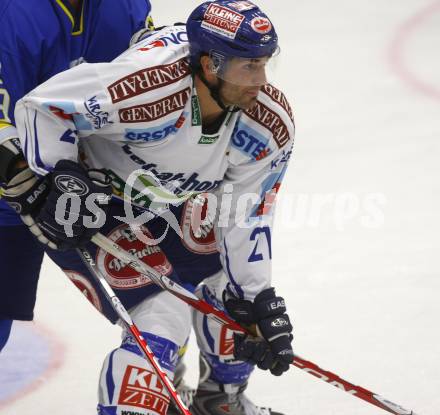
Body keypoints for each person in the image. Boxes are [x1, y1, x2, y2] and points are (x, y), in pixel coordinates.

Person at [8, 1, 295, 414]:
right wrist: (61, 179)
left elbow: (246, 214)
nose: (261, 81)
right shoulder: (144, 87)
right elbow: (43, 106)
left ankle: (223, 402)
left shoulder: (268, 124)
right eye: (248, 66)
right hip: (96, 202)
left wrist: (257, 299)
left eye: (266, 63)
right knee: (162, 318)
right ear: (209, 65)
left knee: (228, 296)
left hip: (169, 195)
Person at [0, 0, 153, 351]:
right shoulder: (14, 15)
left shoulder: (126, 7)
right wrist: (22, 176)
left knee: (157, 298)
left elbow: (152, 79)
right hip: (12, 195)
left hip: (96, 182)